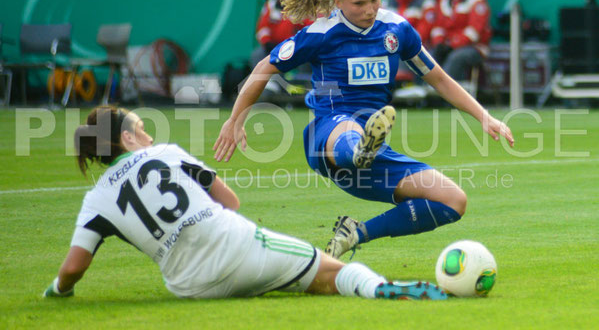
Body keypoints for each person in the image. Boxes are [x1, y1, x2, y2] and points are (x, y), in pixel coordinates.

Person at [213, 0, 513, 260]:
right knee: (351, 132)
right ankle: (359, 149)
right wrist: (236, 119)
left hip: (372, 150)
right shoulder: (321, 33)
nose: (370, 9)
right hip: (328, 135)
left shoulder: (396, 30)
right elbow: (264, 67)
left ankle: (356, 233)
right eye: (359, 4)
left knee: (454, 201)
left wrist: (484, 115)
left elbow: (437, 77)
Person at [43, 105, 447, 300]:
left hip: (188, 286)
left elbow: (74, 268)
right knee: (333, 274)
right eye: (142, 130)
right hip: (236, 247)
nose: (148, 136)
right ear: (127, 139)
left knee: (285, 281)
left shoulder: (95, 200)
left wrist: (58, 292)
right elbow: (230, 201)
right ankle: (383, 289)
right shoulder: (164, 153)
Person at [430, 0, 492, 83]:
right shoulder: (444, 1)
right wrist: (439, 43)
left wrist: (452, 44)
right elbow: (437, 27)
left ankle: (447, 95)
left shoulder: (476, 0)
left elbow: (474, 32)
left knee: (456, 58)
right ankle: (426, 93)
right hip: (449, 46)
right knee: (430, 55)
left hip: (475, 47)